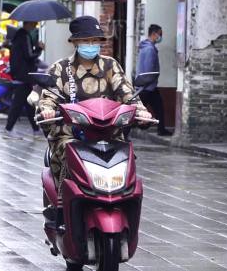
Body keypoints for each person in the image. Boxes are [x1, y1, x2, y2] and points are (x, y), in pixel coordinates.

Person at [37, 16, 152, 188]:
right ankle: (62, 202)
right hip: (71, 133)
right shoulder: (60, 68)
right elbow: (49, 96)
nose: (91, 45)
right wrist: (47, 110)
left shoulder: (110, 65)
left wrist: (141, 111)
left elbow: (126, 92)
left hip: (108, 132)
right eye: (86, 40)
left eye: (95, 40)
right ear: (75, 42)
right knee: (66, 152)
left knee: (126, 159)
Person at [5, 21, 44, 133]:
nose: (35, 25)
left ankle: (35, 129)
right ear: (28, 24)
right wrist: (39, 48)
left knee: (28, 103)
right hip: (24, 74)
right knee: (18, 103)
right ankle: (8, 128)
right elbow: (29, 55)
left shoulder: (17, 35)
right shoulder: (24, 36)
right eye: (34, 23)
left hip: (19, 73)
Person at [137, 24, 172, 136]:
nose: (160, 37)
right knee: (138, 111)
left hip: (147, 85)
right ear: (154, 34)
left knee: (157, 108)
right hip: (147, 86)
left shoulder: (145, 47)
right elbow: (148, 69)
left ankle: (161, 129)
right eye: (160, 34)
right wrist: (149, 81)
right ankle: (160, 129)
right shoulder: (150, 49)